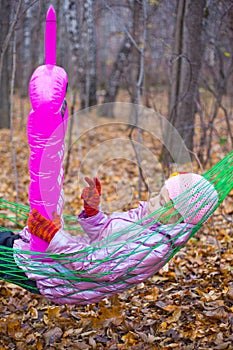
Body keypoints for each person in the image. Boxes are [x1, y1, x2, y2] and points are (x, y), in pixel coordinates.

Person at [0, 173, 219, 304]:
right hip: (59, 261)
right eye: (157, 195)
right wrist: (93, 212)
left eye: (161, 201)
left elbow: (96, 265)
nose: (151, 201)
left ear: (178, 217)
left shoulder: (153, 247)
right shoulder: (149, 219)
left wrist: (54, 238)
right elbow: (106, 235)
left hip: (56, 278)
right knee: (8, 239)